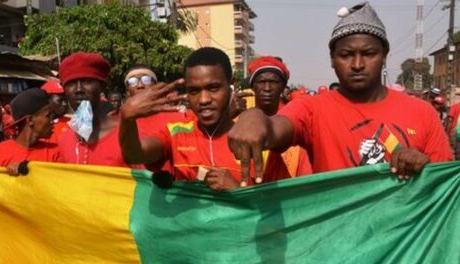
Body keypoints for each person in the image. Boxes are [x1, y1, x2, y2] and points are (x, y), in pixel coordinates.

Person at [228, 2, 453, 185]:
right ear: (332, 59)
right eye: (346, 55)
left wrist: (423, 168)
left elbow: (445, 188)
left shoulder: (423, 112)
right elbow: (278, 127)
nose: (357, 64)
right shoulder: (313, 108)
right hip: (338, 238)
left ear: (384, 55)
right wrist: (255, 118)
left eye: (368, 53)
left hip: (404, 238)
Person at [119, 47, 254, 191]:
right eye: (194, 91)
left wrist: (237, 192)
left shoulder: (252, 137)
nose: (203, 99)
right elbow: (134, 155)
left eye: (213, 88)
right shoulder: (176, 132)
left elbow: (273, 205)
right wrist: (127, 118)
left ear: (230, 85)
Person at [56, 52, 134, 167]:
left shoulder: (126, 135)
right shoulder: (65, 140)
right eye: (71, 83)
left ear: (102, 87)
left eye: (87, 82)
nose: (78, 89)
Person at [247, 56, 313, 181]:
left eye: (273, 82)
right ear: (252, 86)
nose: (267, 88)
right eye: (261, 82)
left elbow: (305, 182)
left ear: (283, 87)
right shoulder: (240, 126)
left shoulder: (295, 128)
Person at [0, 88, 60, 172]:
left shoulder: (55, 153)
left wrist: (27, 170)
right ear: (30, 120)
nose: (53, 121)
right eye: (48, 116)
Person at [41, 79, 71, 144]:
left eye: (66, 100)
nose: (65, 104)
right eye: (60, 100)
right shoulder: (35, 125)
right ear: (47, 100)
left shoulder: (73, 124)